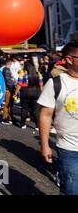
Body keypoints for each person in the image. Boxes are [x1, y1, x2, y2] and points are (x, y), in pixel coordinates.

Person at [38, 41, 78, 195]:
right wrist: (45, 144)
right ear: (69, 59)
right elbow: (45, 115)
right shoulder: (56, 83)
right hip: (70, 149)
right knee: (72, 190)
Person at [14, 59, 44, 130]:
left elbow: (19, 84)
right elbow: (41, 85)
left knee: (24, 109)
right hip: (36, 93)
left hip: (25, 93)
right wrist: (42, 95)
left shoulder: (22, 73)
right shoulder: (38, 73)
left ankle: (23, 124)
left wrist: (15, 93)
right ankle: (37, 126)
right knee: (36, 110)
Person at [1, 59, 16, 125]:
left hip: (9, 89)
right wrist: (12, 90)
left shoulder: (6, 69)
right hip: (8, 89)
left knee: (9, 104)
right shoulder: (6, 70)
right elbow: (9, 81)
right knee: (7, 104)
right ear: (10, 64)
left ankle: (9, 117)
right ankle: (5, 118)